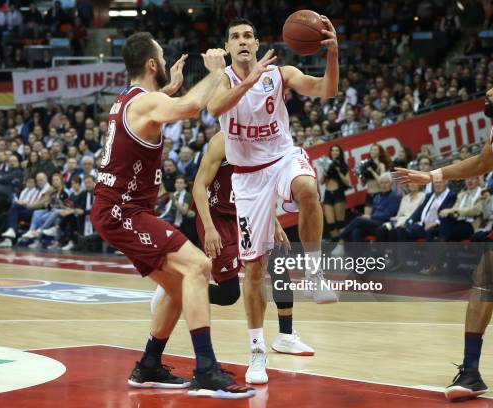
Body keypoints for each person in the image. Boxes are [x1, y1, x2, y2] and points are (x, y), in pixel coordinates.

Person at [90, 32, 254, 398]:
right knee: (197, 267)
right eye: (163, 58)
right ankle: (207, 370)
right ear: (152, 65)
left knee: (181, 286)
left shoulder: (131, 100)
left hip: (119, 209)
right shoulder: (146, 103)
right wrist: (218, 71)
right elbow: (192, 107)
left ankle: (148, 364)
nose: (167, 63)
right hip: (122, 210)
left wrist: (170, 90)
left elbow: (163, 106)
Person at [206, 17, 339, 384]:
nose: (243, 41)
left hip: (281, 159)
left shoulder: (280, 74)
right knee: (253, 269)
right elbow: (215, 109)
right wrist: (247, 79)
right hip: (247, 179)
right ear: (229, 47)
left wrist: (333, 55)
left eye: (248, 35)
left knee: (309, 189)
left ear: (257, 41)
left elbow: (326, 90)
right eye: (235, 37)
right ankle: (258, 351)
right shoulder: (220, 77)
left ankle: (314, 272)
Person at [393, 71, 493, 401]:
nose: (488, 91)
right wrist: (430, 175)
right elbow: (481, 163)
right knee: (484, 274)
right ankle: (471, 373)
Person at [190, 130, 314, 355]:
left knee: (278, 259)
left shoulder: (262, 138)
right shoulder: (221, 141)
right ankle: (179, 289)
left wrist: (274, 222)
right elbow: (198, 186)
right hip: (218, 217)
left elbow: (259, 188)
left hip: (247, 212)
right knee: (229, 295)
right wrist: (209, 227)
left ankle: (286, 335)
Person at [321, 145, 350, 241]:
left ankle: (342, 245)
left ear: (340, 153)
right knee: (331, 224)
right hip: (328, 193)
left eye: (337, 150)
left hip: (338, 193)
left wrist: (338, 171)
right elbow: (321, 182)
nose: (334, 152)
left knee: (340, 223)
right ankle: (338, 244)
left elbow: (347, 182)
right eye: (333, 150)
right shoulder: (327, 164)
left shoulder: (343, 166)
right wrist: (325, 170)